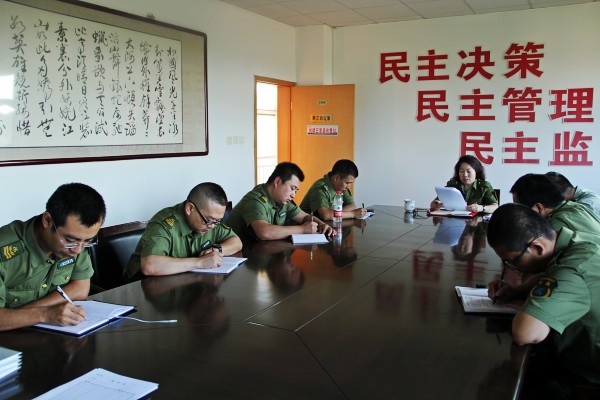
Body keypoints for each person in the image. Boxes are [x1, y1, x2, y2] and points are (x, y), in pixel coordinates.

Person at [486, 204, 600, 397]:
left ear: (537, 247)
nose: (513, 268)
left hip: (589, 372)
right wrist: (517, 291)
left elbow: (525, 333)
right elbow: (552, 276)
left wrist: (524, 306)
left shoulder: (575, 268)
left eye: (513, 261)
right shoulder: (577, 241)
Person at [0, 183, 106, 331]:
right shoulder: (5, 249)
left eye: (87, 241)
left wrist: (22, 315)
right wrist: (44, 314)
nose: (77, 250)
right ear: (47, 220)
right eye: (70, 240)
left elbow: (81, 288)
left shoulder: (78, 241)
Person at [123, 182, 242, 282]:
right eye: (209, 221)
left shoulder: (211, 222)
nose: (212, 226)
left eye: (217, 221)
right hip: (141, 288)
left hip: (181, 283)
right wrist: (199, 262)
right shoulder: (164, 224)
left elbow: (236, 242)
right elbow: (150, 265)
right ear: (189, 208)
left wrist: (216, 250)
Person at [227, 162, 335, 243]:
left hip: (262, 253)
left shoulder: (282, 201)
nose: (293, 195)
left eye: (296, 191)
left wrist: (322, 225)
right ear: (277, 181)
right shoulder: (255, 201)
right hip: (241, 257)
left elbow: (304, 217)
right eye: (292, 188)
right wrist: (302, 229)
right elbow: (264, 232)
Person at [510, 173, 600, 234]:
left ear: (538, 208)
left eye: (521, 208)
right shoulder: (577, 207)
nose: (520, 213)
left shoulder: (557, 226)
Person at [299, 159, 366, 220]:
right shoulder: (320, 188)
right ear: (336, 178)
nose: (349, 186)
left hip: (326, 224)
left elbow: (352, 206)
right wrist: (353, 214)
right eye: (347, 183)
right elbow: (326, 215)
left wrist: (334, 214)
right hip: (305, 226)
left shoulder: (341, 187)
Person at [430, 155, 498, 213]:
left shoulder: (484, 187)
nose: (465, 175)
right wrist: (435, 205)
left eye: (468, 171)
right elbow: (434, 203)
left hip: (477, 222)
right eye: (461, 171)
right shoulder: (452, 186)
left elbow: (495, 207)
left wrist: (481, 208)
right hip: (455, 221)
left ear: (476, 171)